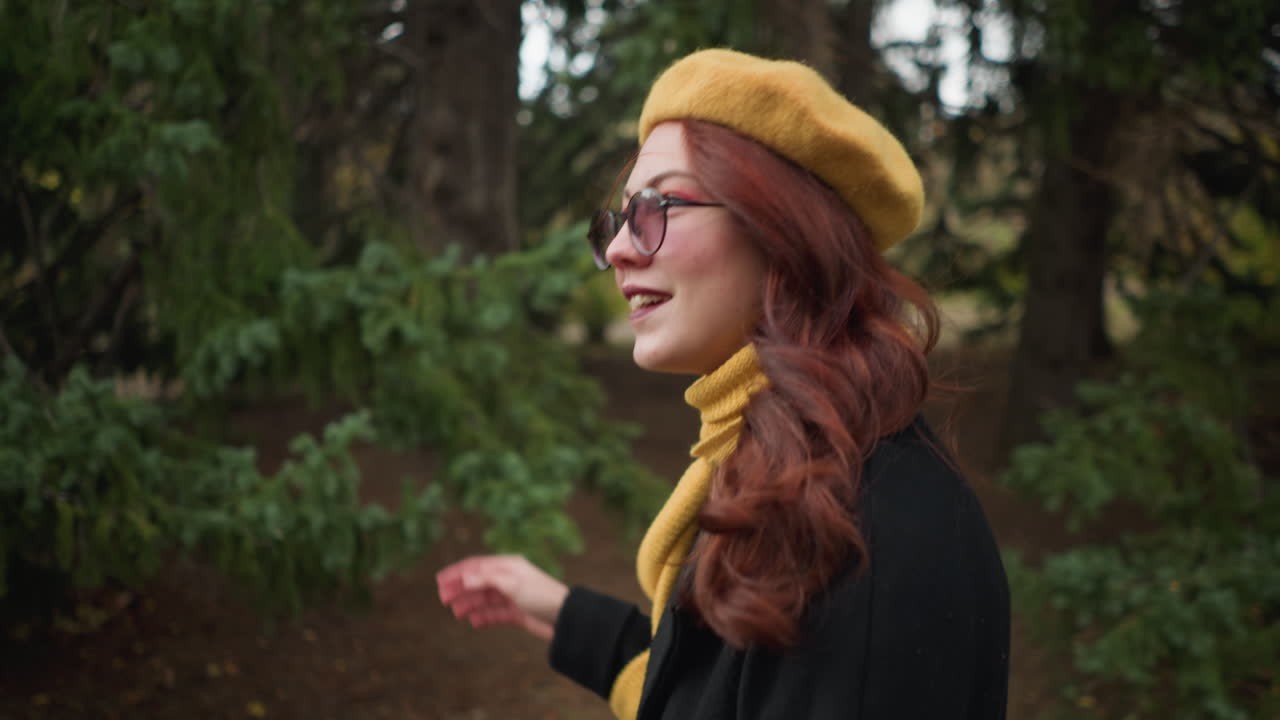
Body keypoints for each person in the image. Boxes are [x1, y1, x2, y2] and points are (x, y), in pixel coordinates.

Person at [436, 48, 1010, 719]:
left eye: (657, 207)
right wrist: (566, 615)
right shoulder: (789, 471)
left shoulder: (871, 539)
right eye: (618, 220)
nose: (618, 248)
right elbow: (711, 689)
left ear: (785, 233)